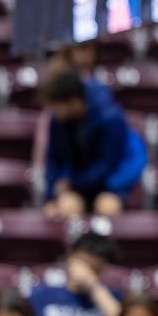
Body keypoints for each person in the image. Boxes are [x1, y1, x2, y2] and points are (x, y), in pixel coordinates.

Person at [39, 70, 145, 219]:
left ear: (74, 101)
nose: (54, 112)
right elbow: (53, 161)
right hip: (77, 184)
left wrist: (73, 183)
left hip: (110, 184)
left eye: (57, 106)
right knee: (64, 208)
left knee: (107, 207)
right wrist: (51, 198)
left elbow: (106, 165)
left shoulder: (110, 119)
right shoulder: (57, 121)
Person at [28, 234, 122, 316]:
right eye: (83, 264)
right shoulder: (41, 295)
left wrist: (93, 286)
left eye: (94, 268)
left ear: (103, 267)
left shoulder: (111, 297)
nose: (85, 272)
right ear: (70, 256)